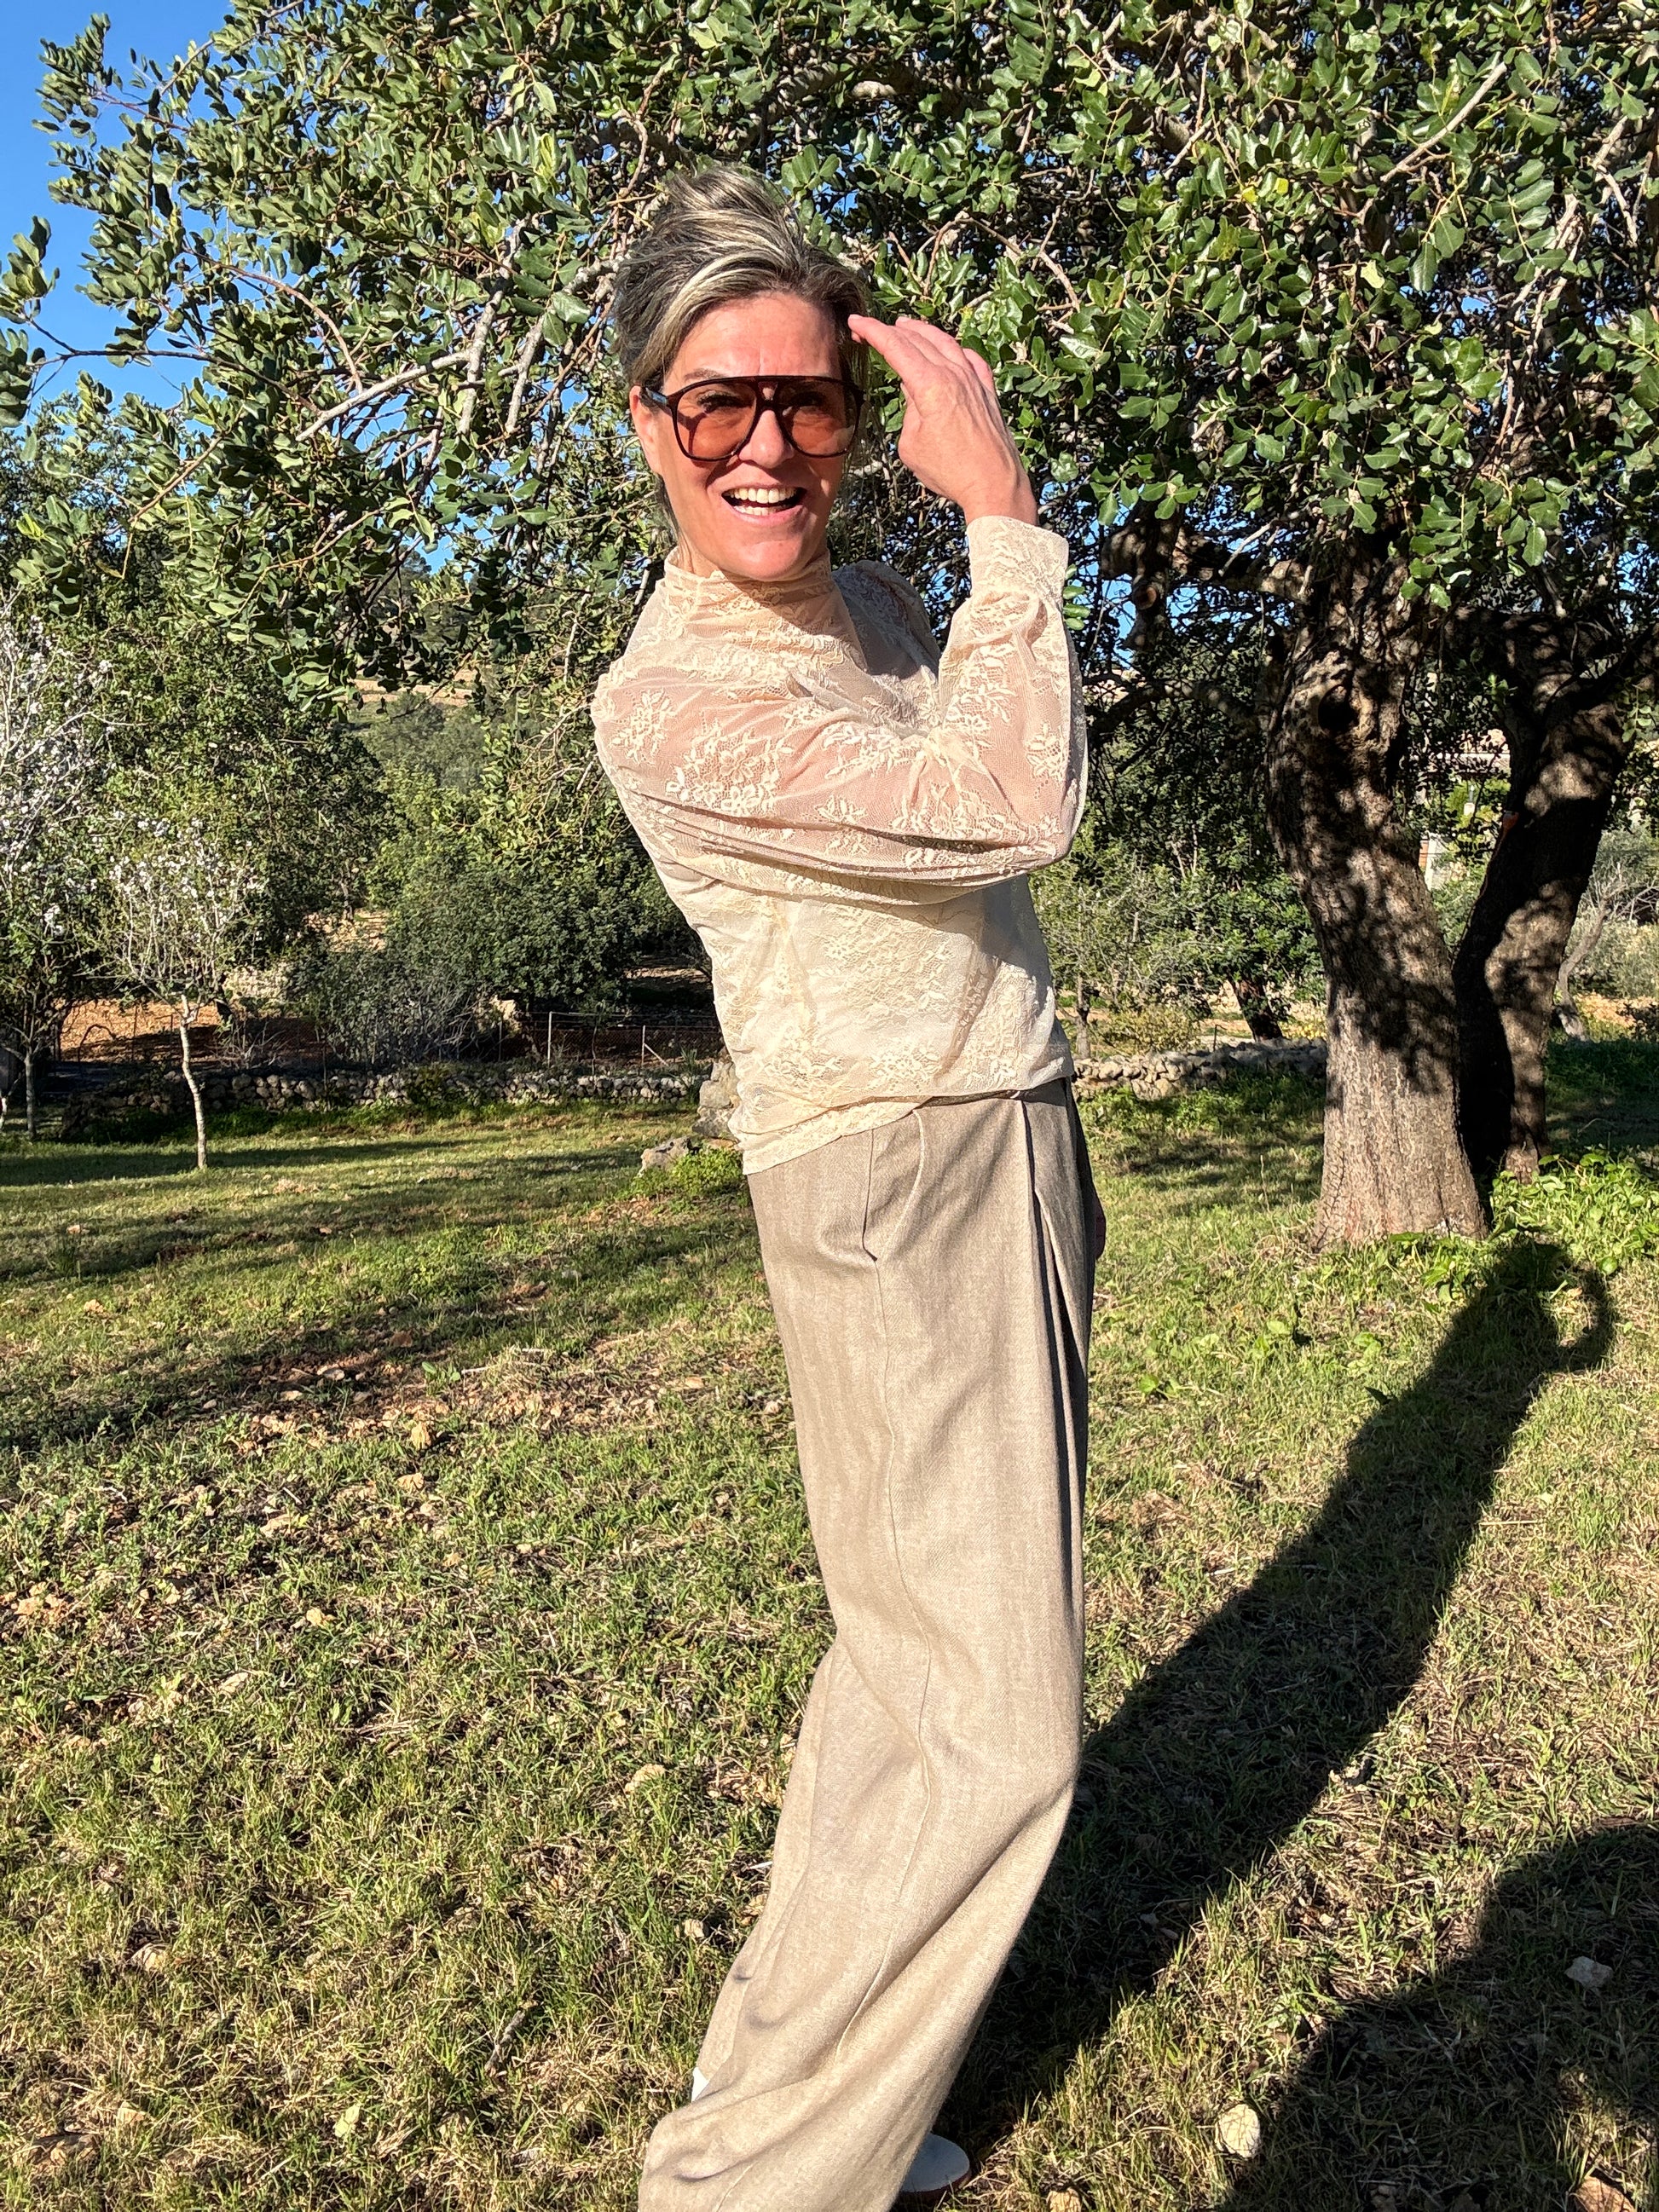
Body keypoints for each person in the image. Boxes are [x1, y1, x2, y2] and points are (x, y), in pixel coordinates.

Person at [593, 166, 1101, 2212]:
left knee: (908, 1691)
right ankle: (748, 2187)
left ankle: (804, 2110)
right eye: (715, 400)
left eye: (803, 397)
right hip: (895, 1188)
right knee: (997, 1731)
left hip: (1001, 1131)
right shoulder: (678, 700)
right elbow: (1012, 796)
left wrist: (959, 562)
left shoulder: (860, 607)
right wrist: (1007, 519)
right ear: (645, 417)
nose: (765, 444)